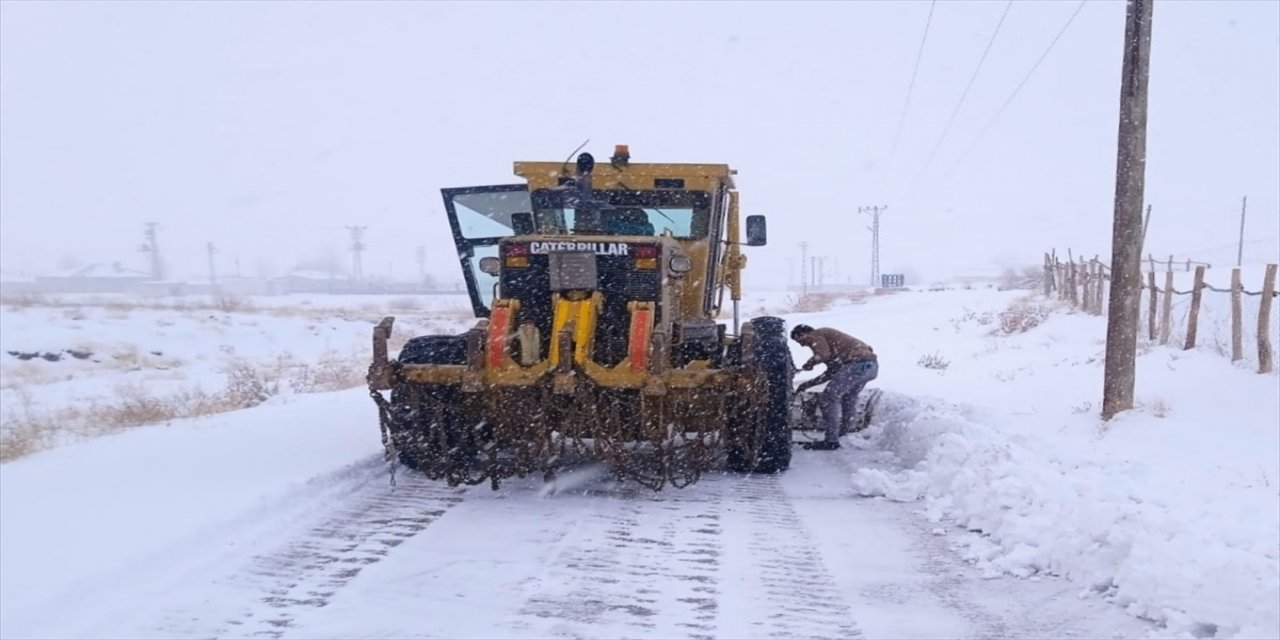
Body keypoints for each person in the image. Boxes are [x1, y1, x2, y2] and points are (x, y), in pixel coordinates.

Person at [790, 324, 878, 450]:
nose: (802, 345)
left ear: (804, 334)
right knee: (848, 398)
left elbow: (823, 355)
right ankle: (842, 434)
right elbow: (830, 373)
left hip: (856, 364)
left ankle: (831, 440)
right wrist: (807, 384)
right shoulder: (836, 347)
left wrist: (810, 363)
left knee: (829, 397)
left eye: (799, 340)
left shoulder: (817, 335)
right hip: (870, 366)